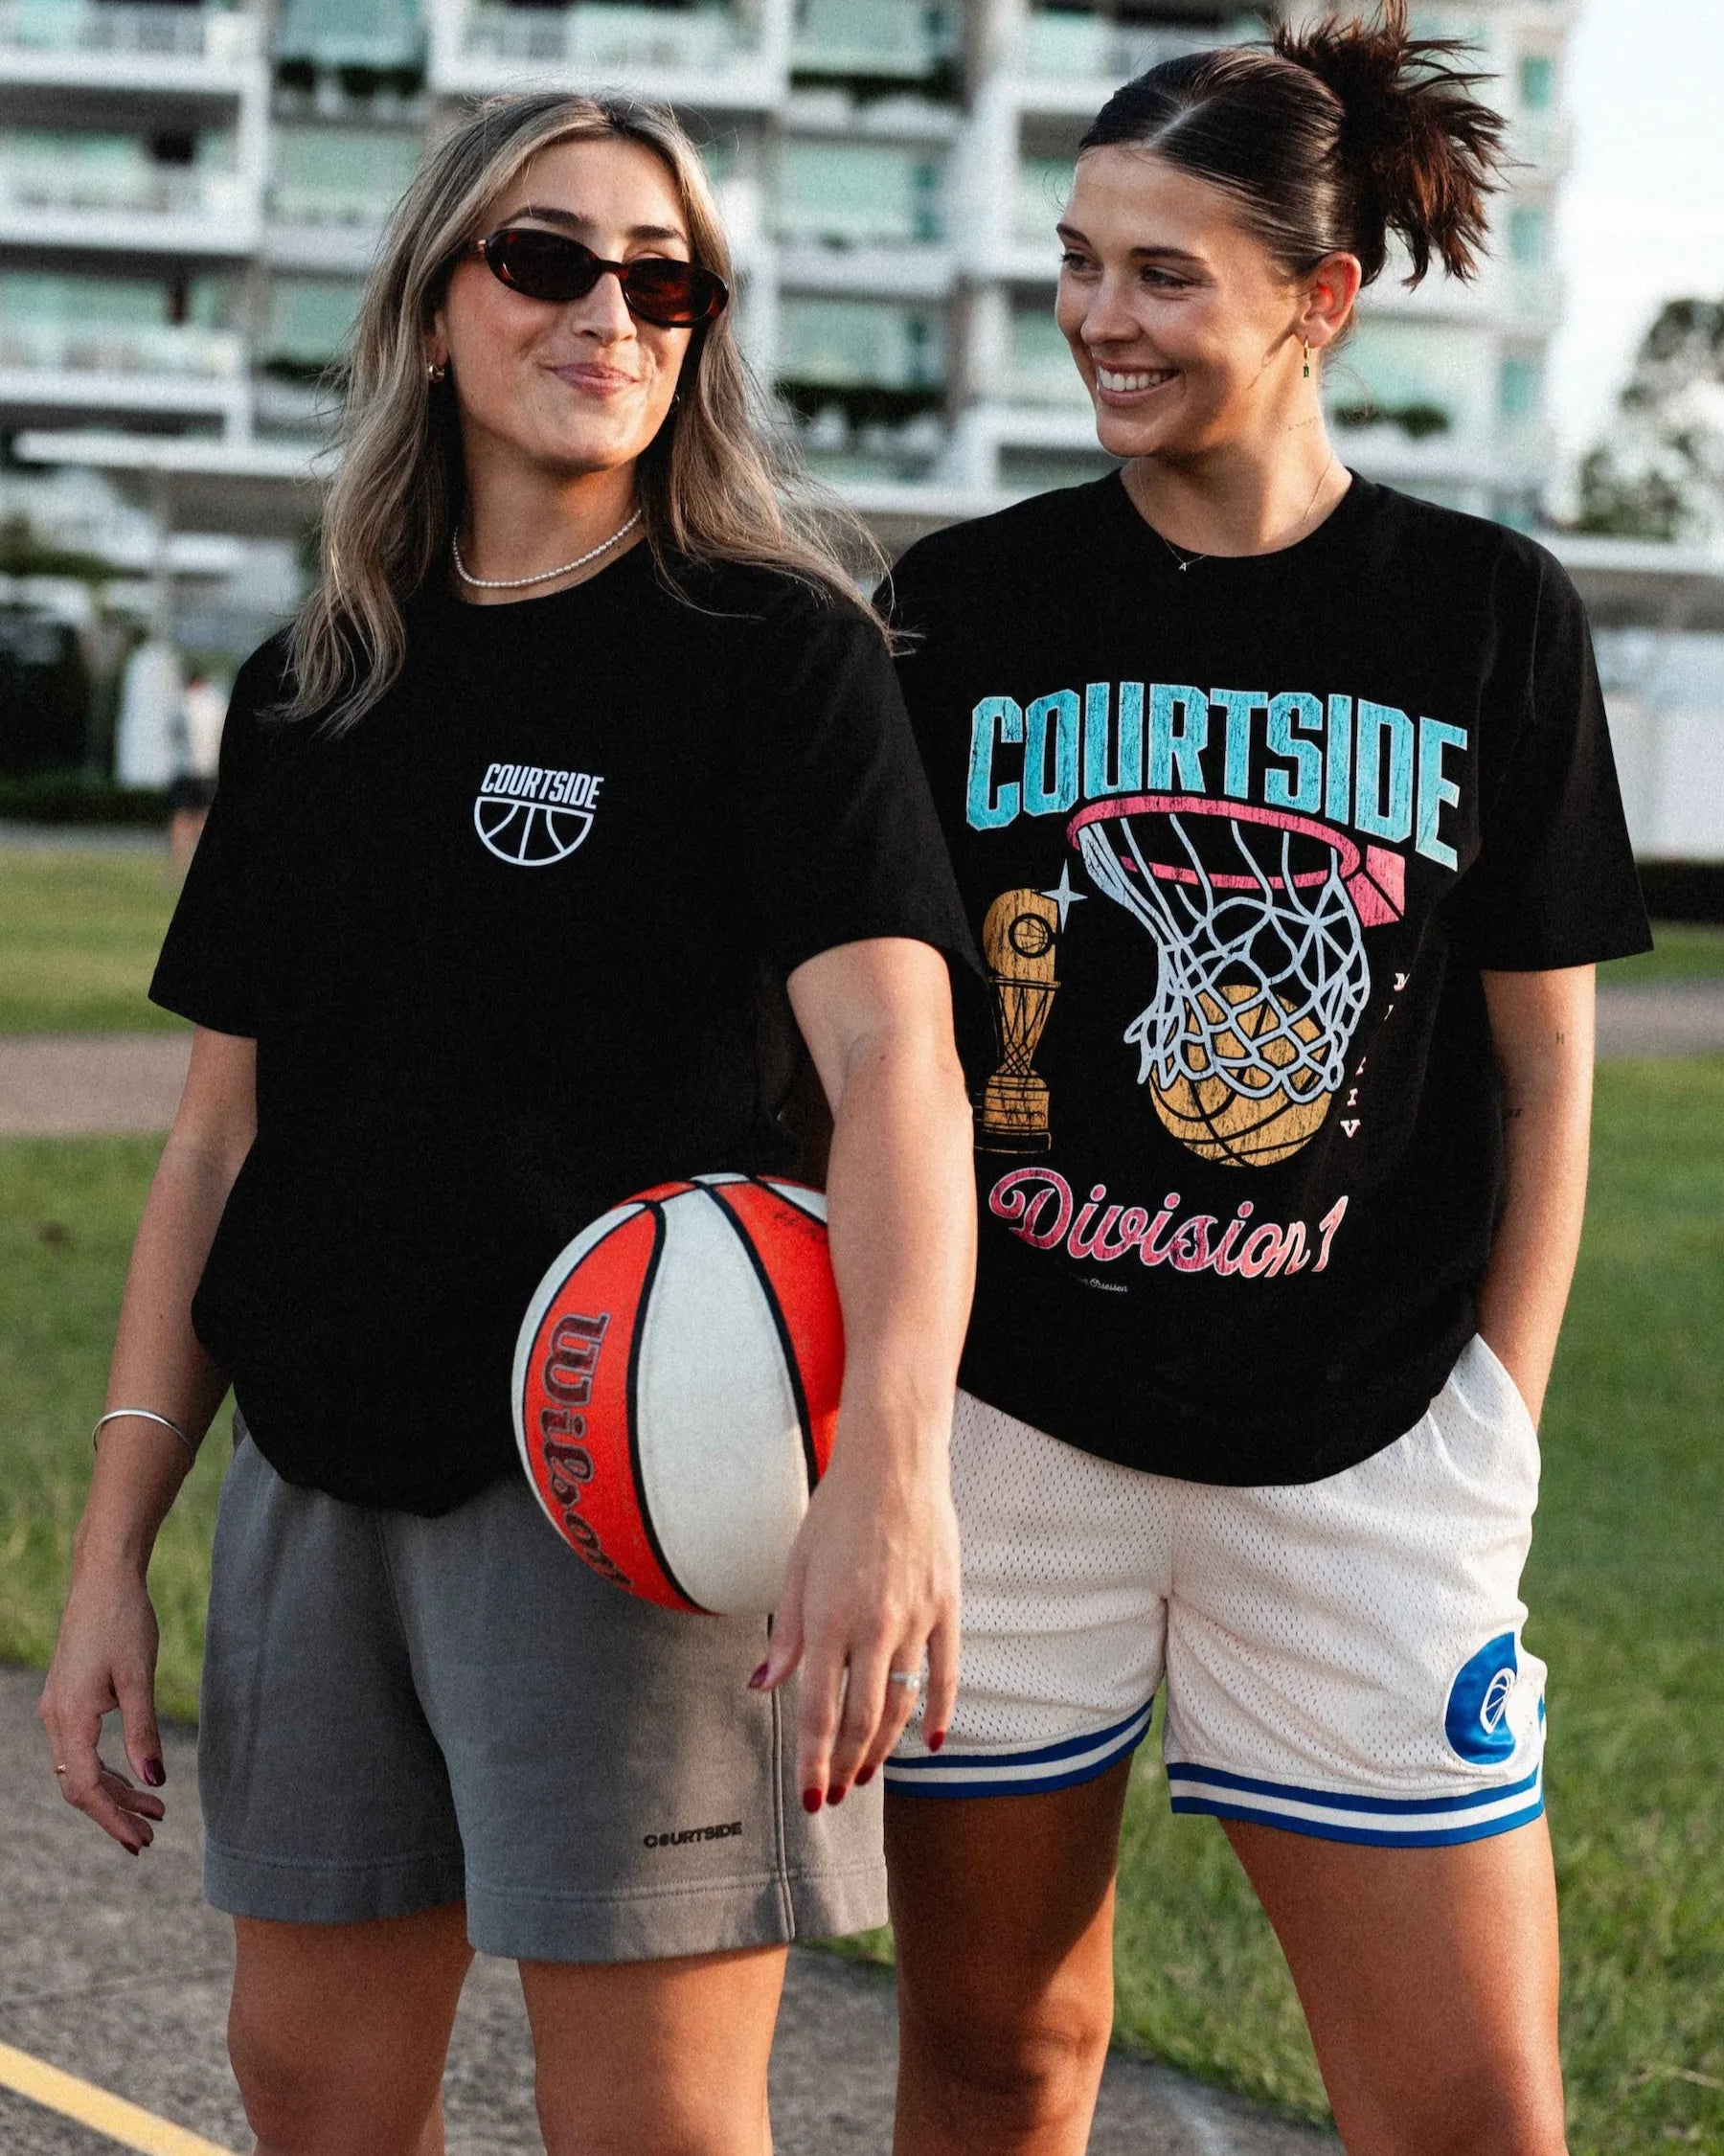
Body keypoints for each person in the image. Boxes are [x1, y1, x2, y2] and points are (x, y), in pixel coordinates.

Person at [39, 92, 976, 2156]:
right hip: (318, 1474)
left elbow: (908, 1066)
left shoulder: (774, 653)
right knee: (310, 2094)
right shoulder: (315, 680)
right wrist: (114, 1548)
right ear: (434, 301)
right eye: (550, 258)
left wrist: (891, 1462)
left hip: (632, 1473)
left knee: (648, 2125)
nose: (612, 311)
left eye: (667, 278)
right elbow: (215, 1144)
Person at [880, 10, 1650, 2153]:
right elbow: (882, 1045)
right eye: (1077, 259)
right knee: (997, 2054)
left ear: (1317, 299)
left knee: (1475, 2111)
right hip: (1010, 1438)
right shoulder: (966, 610)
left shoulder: (1483, 610)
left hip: (1367, 1450)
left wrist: (1495, 1411)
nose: (1094, 321)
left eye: (1160, 274)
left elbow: (1547, 1066)